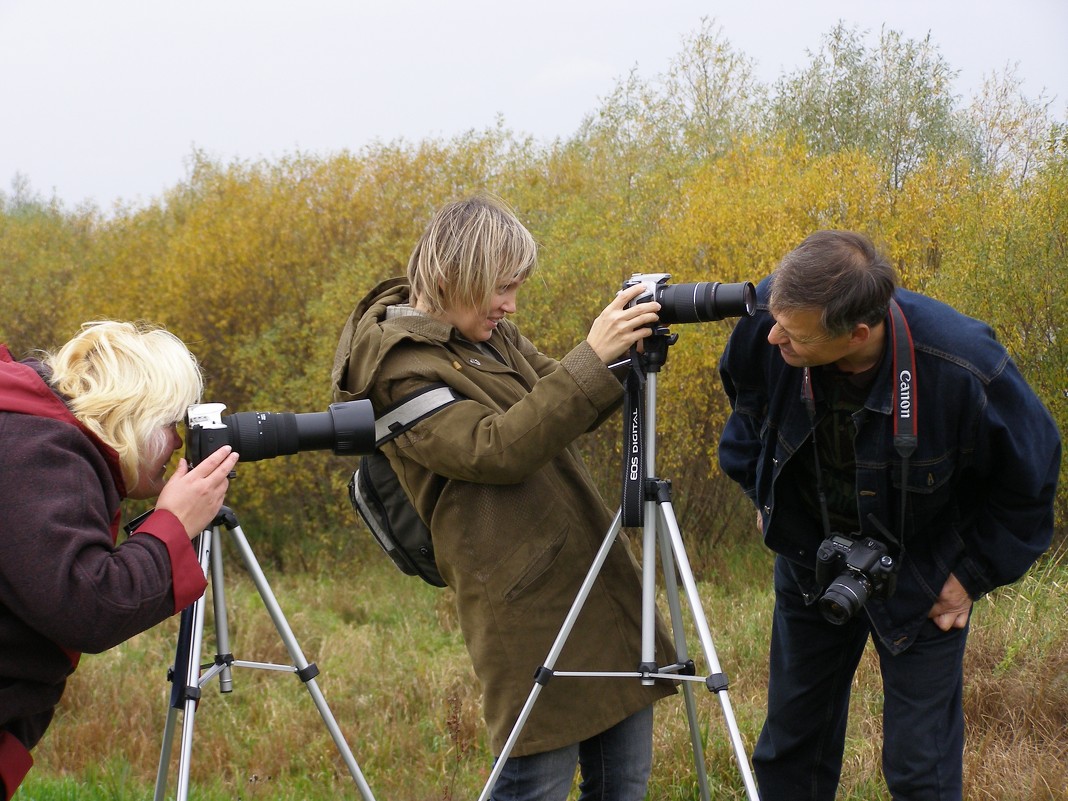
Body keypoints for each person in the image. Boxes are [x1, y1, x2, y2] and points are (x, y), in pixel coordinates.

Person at [332, 193, 677, 800]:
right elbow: (494, 449)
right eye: (502, 288)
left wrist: (626, 357)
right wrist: (593, 357)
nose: (511, 304)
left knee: (624, 784)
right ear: (450, 276)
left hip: (587, 576)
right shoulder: (397, 368)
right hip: (521, 605)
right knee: (533, 784)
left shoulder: (485, 333)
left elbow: (562, 398)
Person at [717, 230, 1061, 800]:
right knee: (789, 748)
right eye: (775, 321)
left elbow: (1029, 481)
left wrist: (968, 578)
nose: (772, 335)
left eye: (792, 336)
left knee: (919, 770)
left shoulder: (962, 365)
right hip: (811, 559)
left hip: (923, 576)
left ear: (856, 333)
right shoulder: (769, 322)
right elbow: (747, 410)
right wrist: (765, 495)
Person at [0, 321, 240, 800]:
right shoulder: (40, 451)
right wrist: (173, 523)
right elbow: (86, 604)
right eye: (168, 423)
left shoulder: (27, 429)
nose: (177, 443)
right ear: (130, 413)